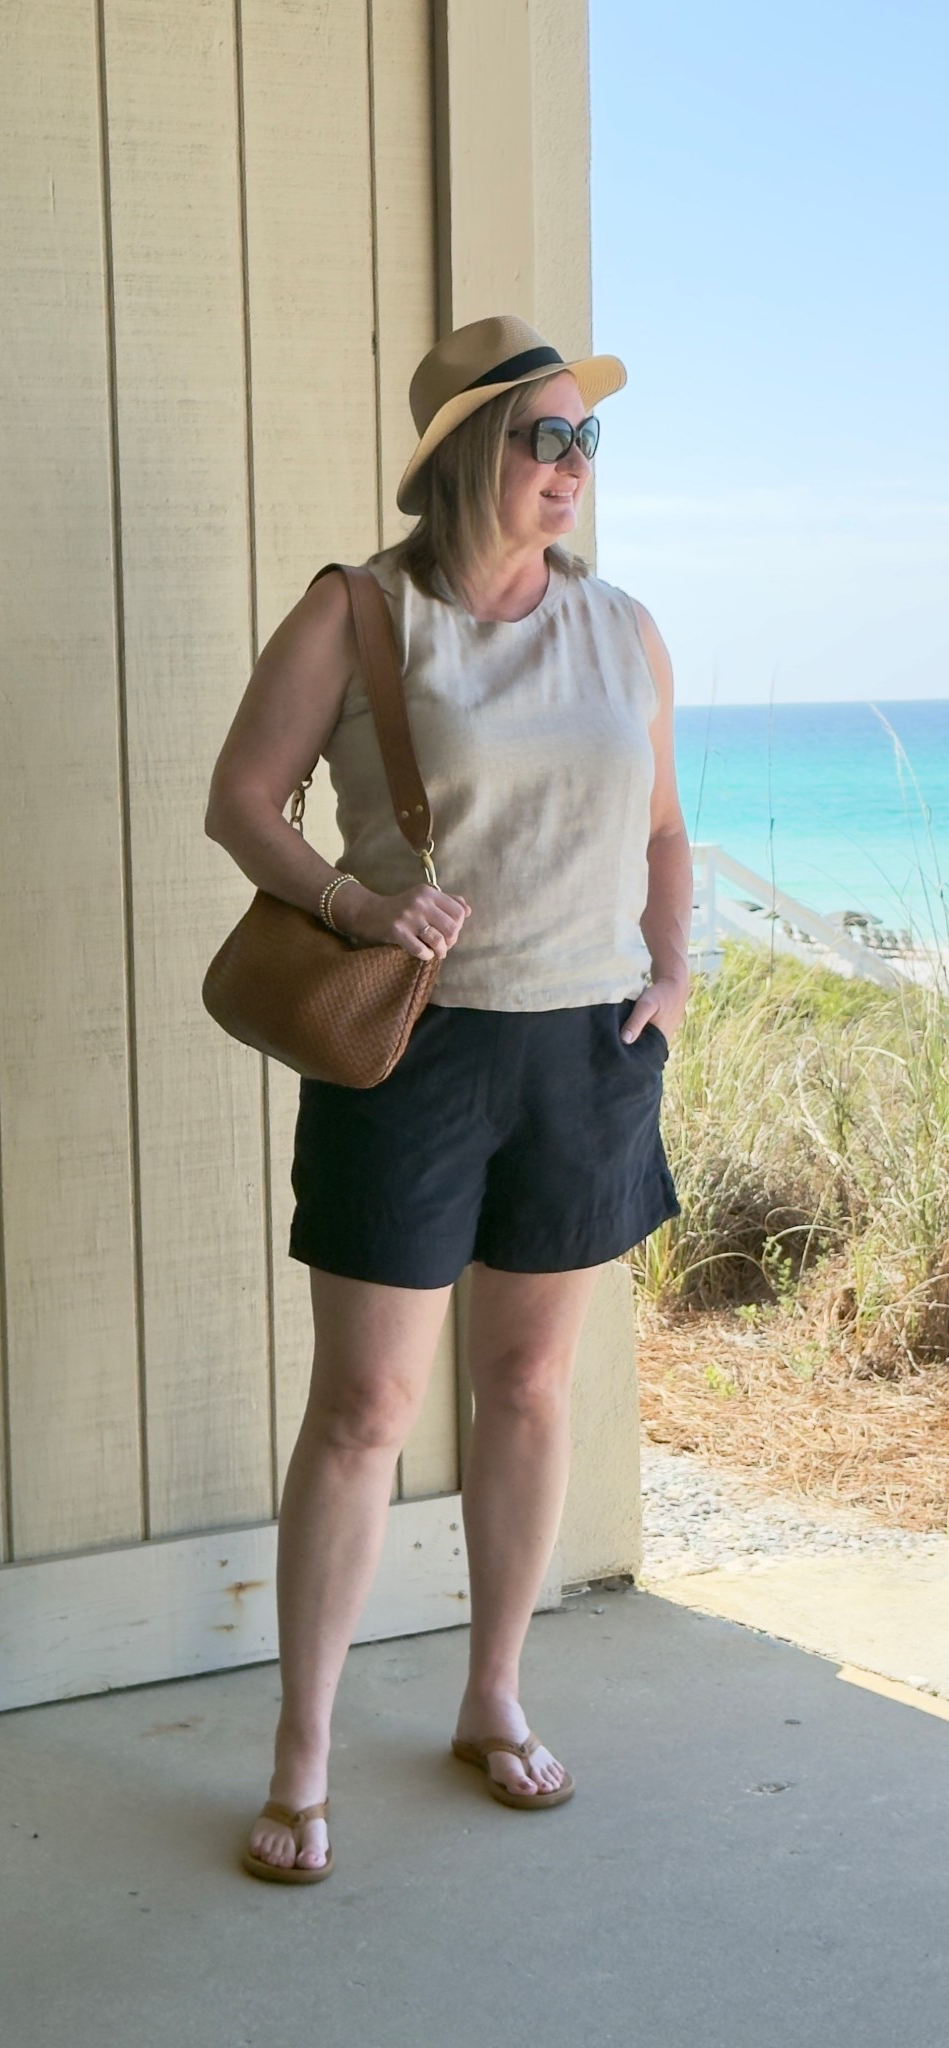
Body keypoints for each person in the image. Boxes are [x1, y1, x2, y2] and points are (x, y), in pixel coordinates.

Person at [205, 313, 692, 1883]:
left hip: (585, 1053)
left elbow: (665, 832)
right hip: (413, 1051)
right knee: (362, 1413)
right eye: (544, 437)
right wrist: (355, 910)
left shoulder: (624, 627)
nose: (572, 466)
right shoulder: (364, 616)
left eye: (586, 438)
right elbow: (241, 801)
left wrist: (668, 977)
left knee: (533, 1390)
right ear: (469, 453)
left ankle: (494, 1695)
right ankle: (303, 1755)